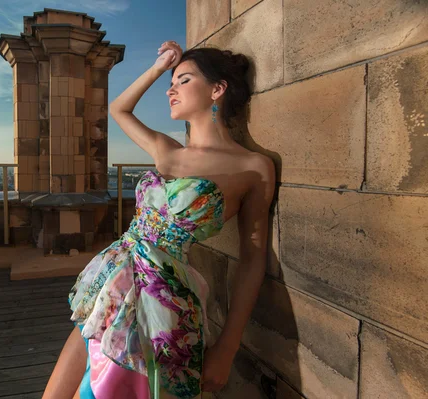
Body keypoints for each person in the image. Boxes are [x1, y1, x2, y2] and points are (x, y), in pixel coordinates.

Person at [43, 40, 276, 399]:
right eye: (171, 81)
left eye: (183, 79)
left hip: (162, 301)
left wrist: (227, 348)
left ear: (217, 89)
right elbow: (119, 109)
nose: (170, 88)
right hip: (111, 282)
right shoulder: (167, 150)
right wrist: (159, 66)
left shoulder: (253, 167)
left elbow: (253, 259)